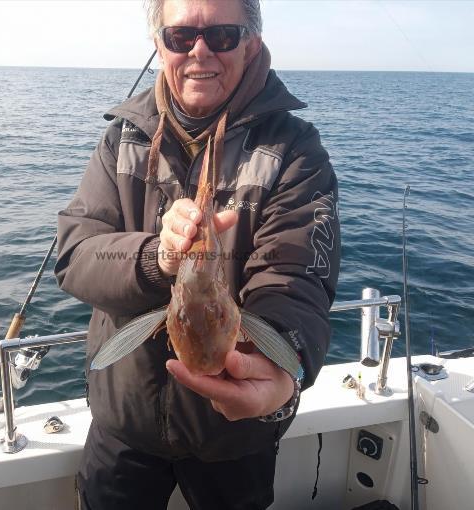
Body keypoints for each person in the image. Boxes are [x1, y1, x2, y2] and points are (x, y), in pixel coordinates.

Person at [55, 0, 340, 508]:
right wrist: (155, 258)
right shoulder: (122, 137)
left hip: (236, 435)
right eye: (181, 36)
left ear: (251, 41)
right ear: (159, 44)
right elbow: (75, 253)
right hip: (125, 426)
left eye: (224, 36)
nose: (200, 51)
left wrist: (282, 365)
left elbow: (296, 279)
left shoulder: (295, 151)